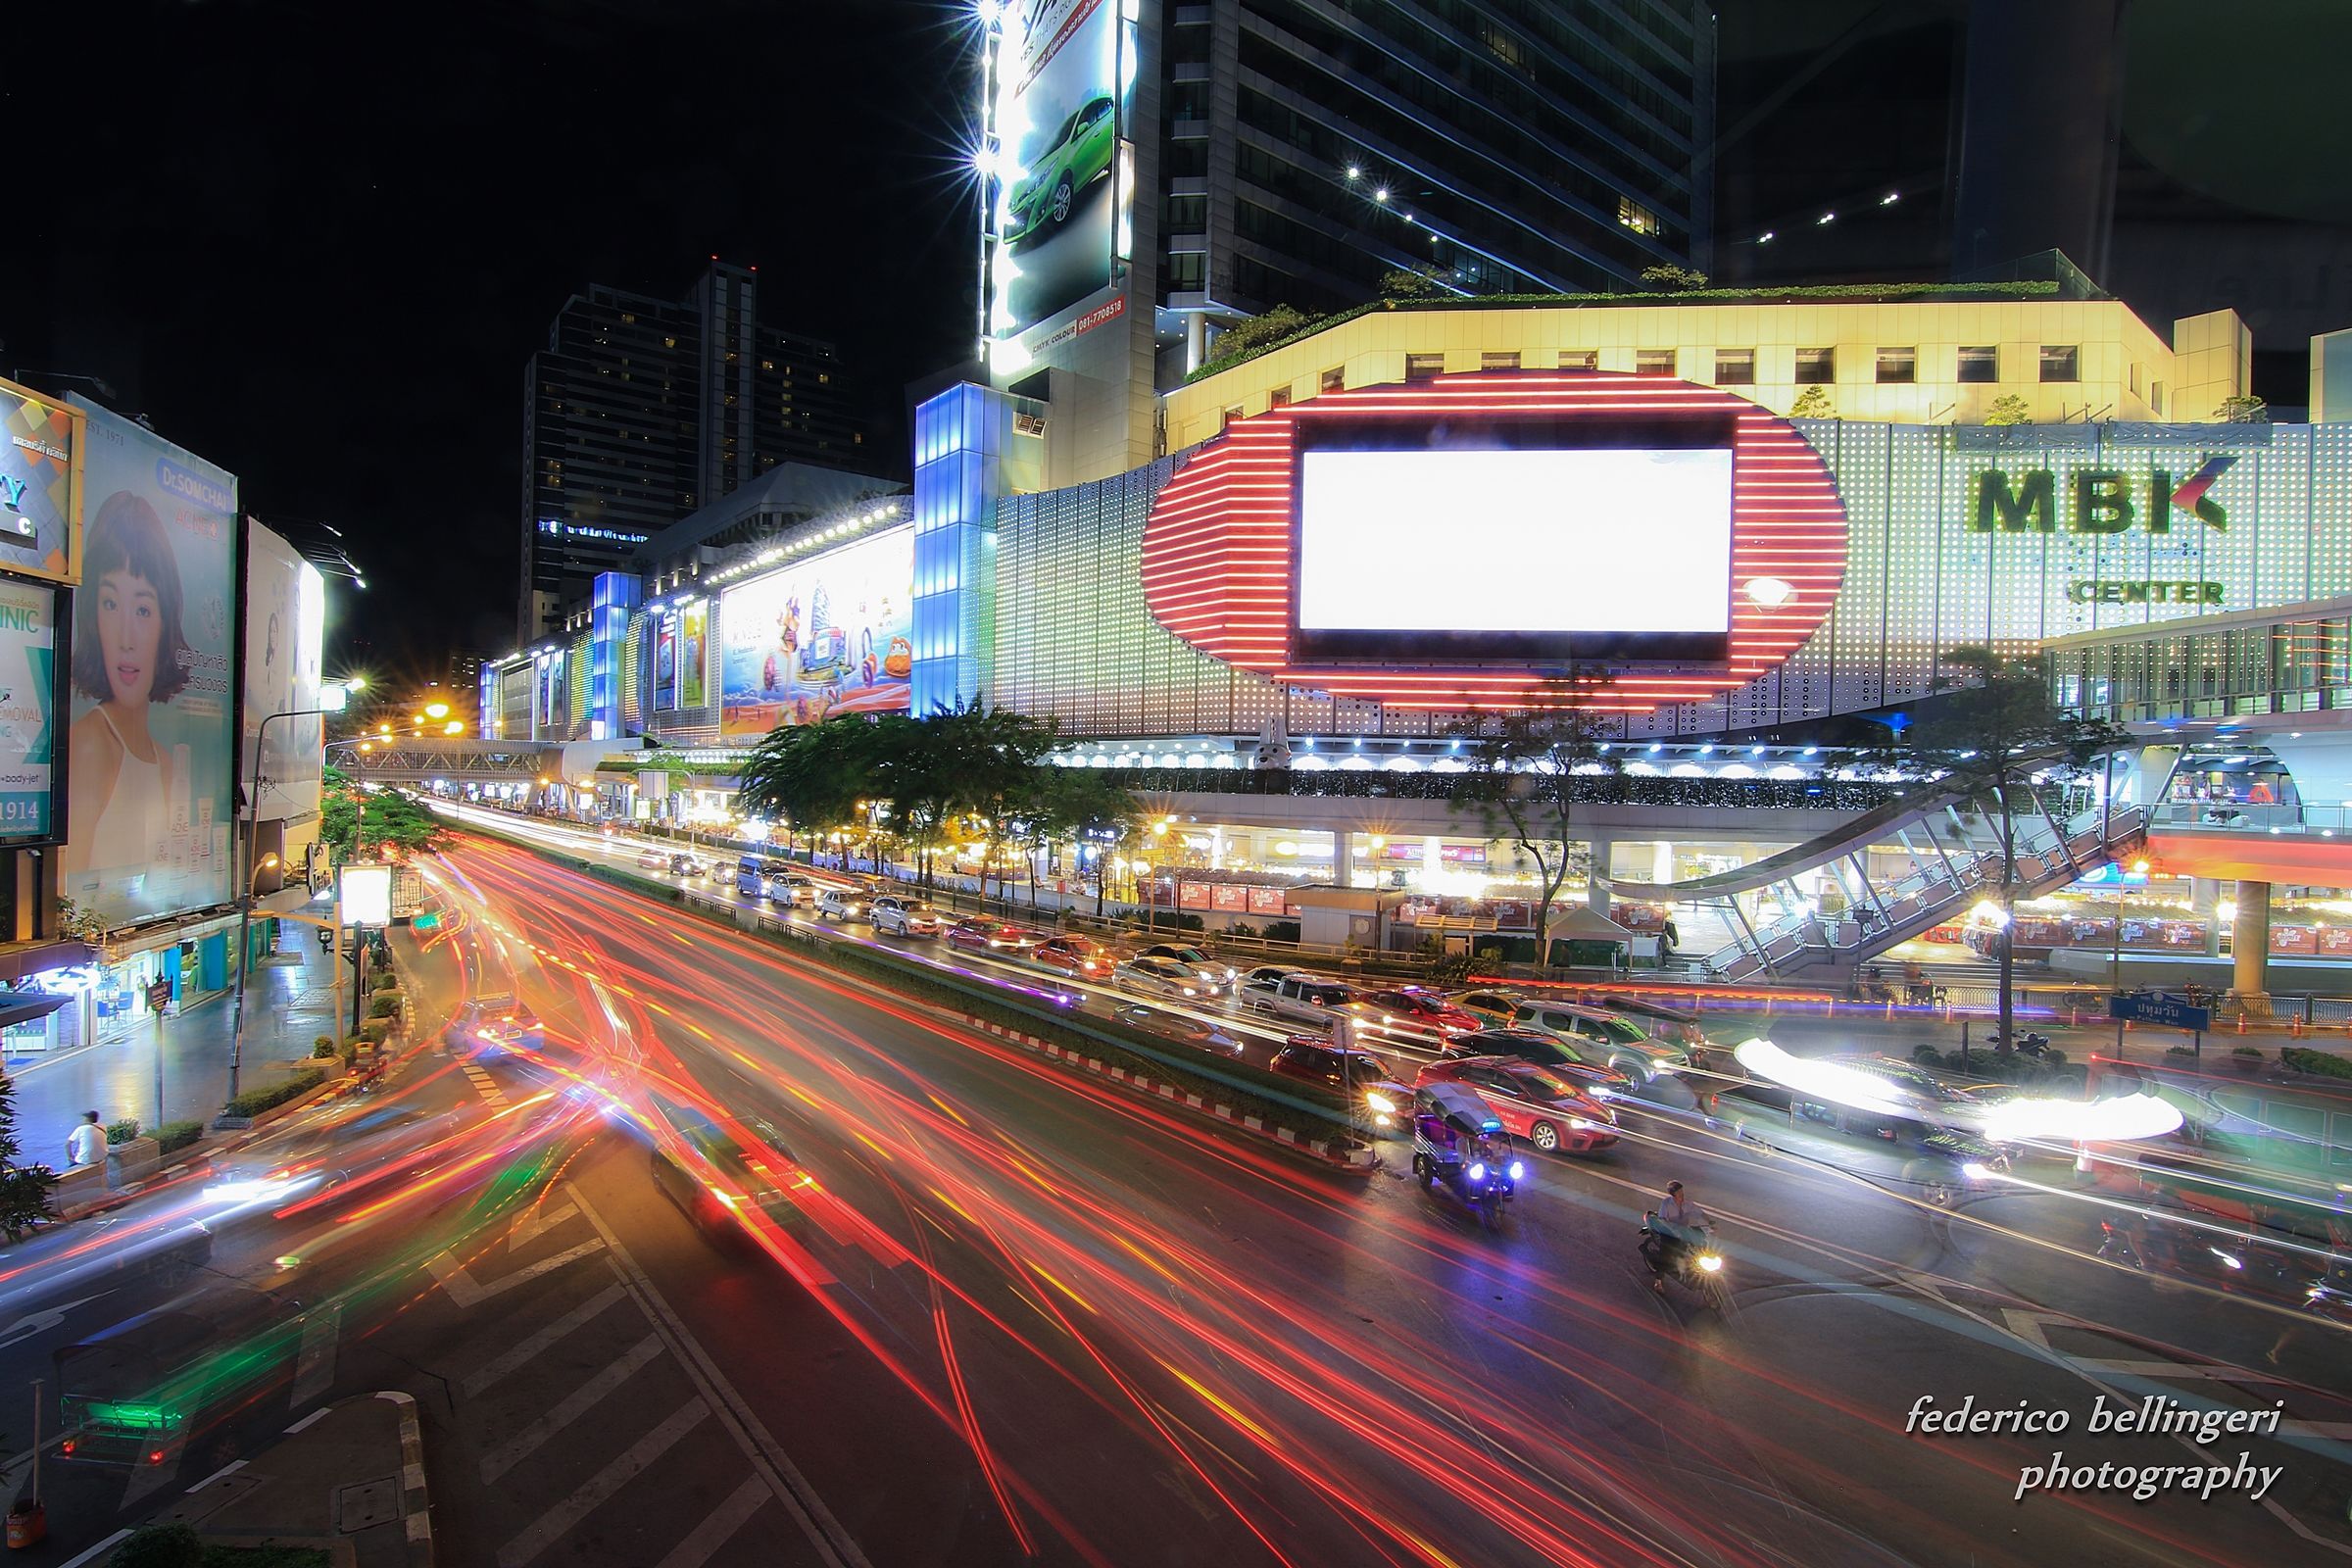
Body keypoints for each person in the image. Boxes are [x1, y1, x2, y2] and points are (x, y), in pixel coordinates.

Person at [67, 492, 193, 879]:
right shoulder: (90, 744)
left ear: (164, 621)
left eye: (142, 609)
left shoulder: (165, 762)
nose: (126, 637)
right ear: (92, 615)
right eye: (109, 604)